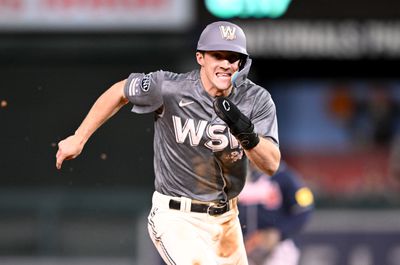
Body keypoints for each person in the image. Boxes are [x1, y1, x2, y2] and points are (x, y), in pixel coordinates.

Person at [55, 21, 281, 265]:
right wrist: (79, 137)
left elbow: (270, 164)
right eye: (218, 55)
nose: (226, 64)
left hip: (226, 219)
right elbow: (119, 91)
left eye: (233, 57)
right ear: (200, 57)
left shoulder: (256, 99)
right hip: (177, 216)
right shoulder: (170, 87)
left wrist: (246, 134)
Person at [238, 161, 314, 265]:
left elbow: (304, 209)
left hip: (278, 247)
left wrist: (279, 232)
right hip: (242, 246)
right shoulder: (234, 178)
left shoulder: (285, 177)